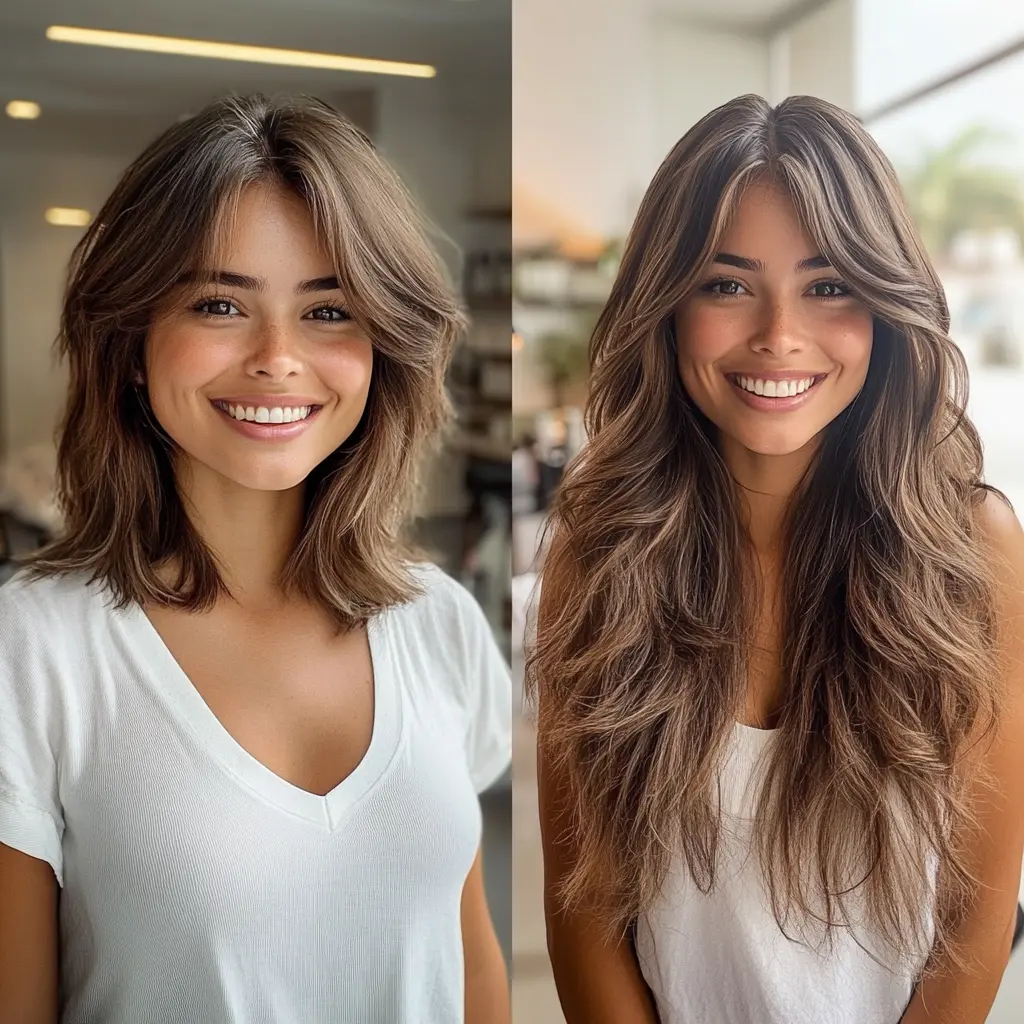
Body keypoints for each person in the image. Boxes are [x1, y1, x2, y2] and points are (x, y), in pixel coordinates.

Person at [0, 93, 511, 1024]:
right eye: (220, 303)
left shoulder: (439, 620)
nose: (279, 359)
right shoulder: (33, 649)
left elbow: (468, 968)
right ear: (129, 345)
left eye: (328, 310)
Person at [526, 93, 1024, 1024]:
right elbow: (585, 907)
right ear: (665, 306)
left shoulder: (976, 552)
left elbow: (977, 917)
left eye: (830, 285)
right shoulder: (594, 560)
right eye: (726, 284)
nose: (778, 335)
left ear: (885, 307)